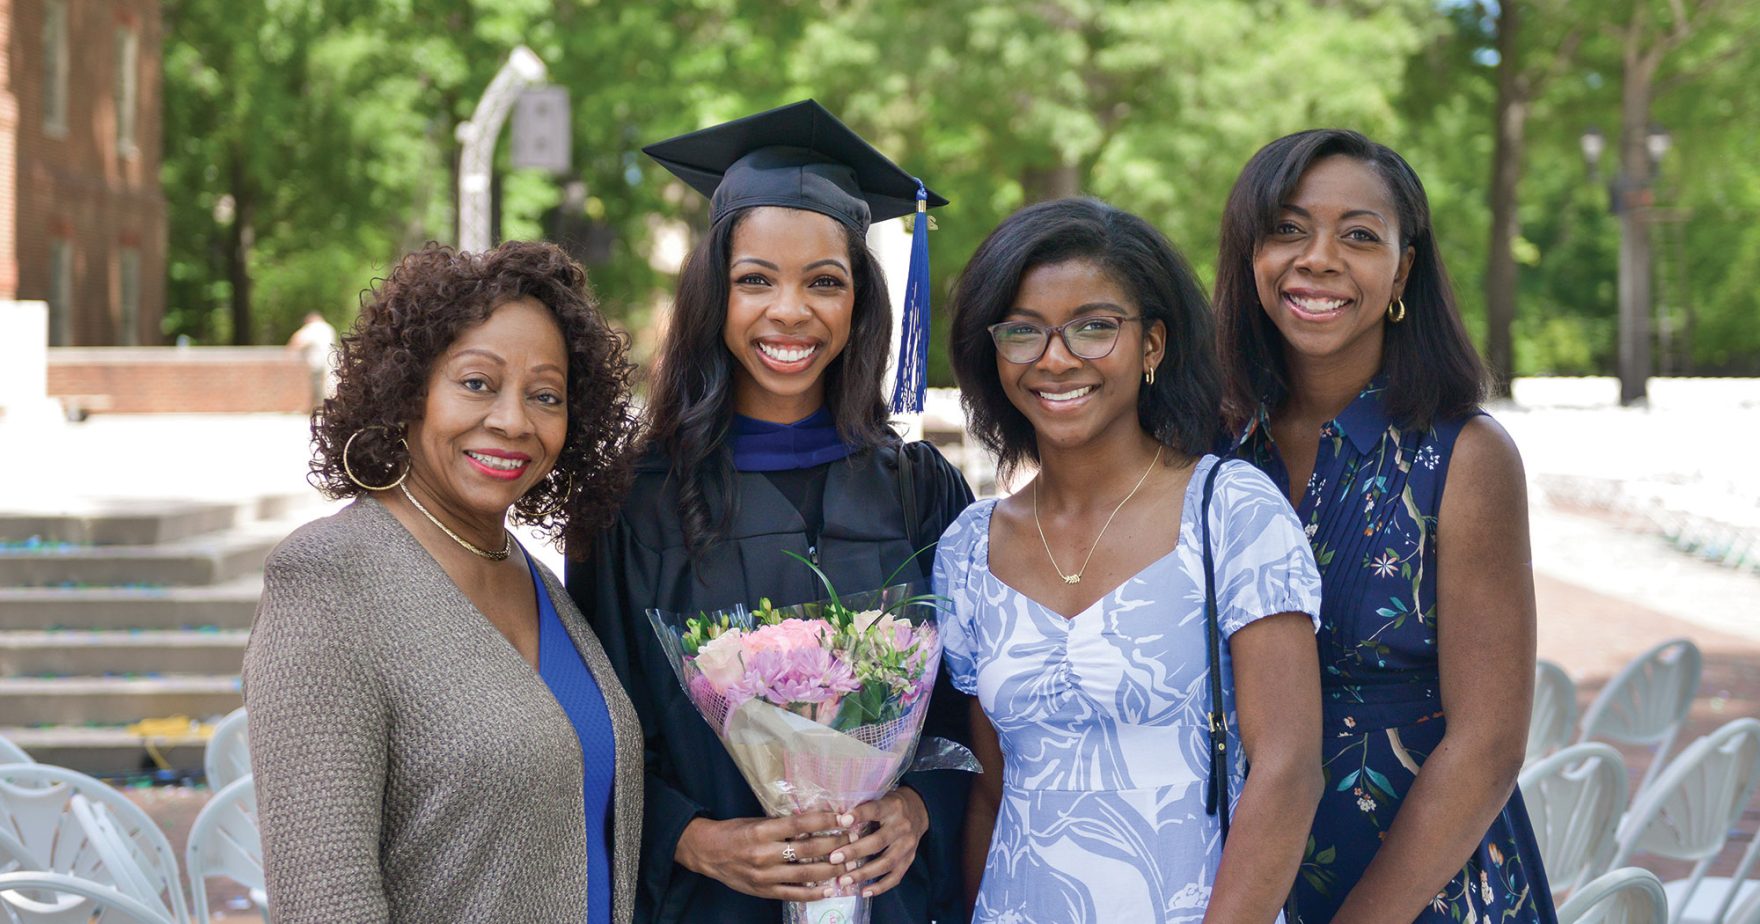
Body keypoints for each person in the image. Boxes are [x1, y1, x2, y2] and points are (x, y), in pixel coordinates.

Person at [567, 100, 975, 924]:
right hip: (708, 906)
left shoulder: (922, 489)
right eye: (755, 280)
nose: (789, 312)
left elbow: (975, 712)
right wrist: (689, 839)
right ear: (715, 295)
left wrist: (919, 807)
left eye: (825, 281)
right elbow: (594, 728)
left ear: (860, 301)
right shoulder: (629, 502)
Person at [938, 197, 1325, 922]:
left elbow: (1289, 772)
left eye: (1093, 327)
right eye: (1023, 332)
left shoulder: (1231, 511)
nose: (1056, 358)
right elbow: (989, 791)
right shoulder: (969, 547)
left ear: (1152, 345)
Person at [244, 241, 645, 924]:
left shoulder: (539, 580)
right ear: (408, 390)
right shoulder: (329, 581)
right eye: (477, 383)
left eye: (544, 395)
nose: (513, 420)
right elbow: (325, 904)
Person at [1215, 129, 1555, 922]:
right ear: (1250, 255)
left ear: (1403, 268)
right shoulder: (1209, 448)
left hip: (1421, 886)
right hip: (1233, 880)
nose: (1319, 258)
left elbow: (1489, 744)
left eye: (1359, 235)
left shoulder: (1464, 457)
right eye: (1287, 229)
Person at [286, 310, 338, 409]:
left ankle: (318, 407)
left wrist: (290, 352)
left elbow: (297, 340)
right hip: (330, 362)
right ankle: (322, 406)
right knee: (327, 385)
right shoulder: (328, 328)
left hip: (317, 362)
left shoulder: (312, 328)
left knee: (317, 385)